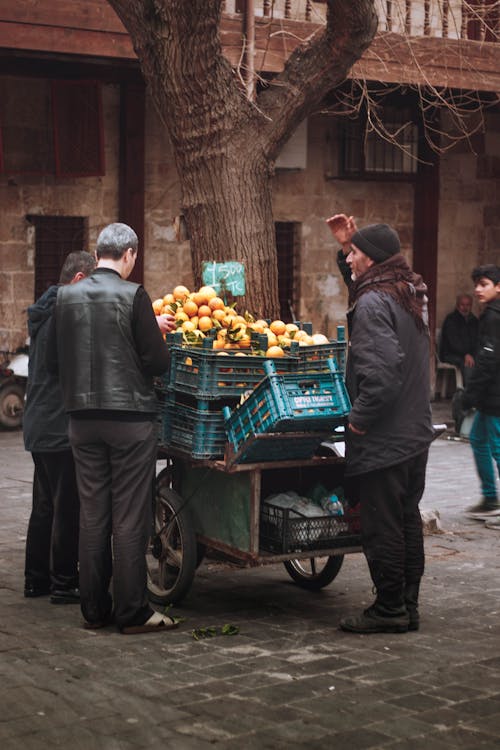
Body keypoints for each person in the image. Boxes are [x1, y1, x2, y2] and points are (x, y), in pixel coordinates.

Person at [46, 222, 177, 633]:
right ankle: (132, 611)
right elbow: (158, 361)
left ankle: (93, 610)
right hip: (130, 421)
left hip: (81, 421)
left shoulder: (63, 297)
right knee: (129, 516)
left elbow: (51, 363)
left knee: (93, 513)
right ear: (130, 254)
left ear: (97, 251)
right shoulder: (133, 294)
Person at [326, 213, 434, 634]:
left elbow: (382, 373)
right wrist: (348, 243)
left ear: (370, 260)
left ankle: (389, 609)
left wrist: (359, 421)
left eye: (353, 254)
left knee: (383, 524)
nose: (349, 260)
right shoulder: (409, 290)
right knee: (407, 519)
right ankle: (407, 604)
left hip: (386, 435)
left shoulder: (373, 302)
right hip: (415, 432)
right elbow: (364, 283)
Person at [23, 251, 97, 603]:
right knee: (66, 507)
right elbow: (66, 366)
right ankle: (64, 583)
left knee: (45, 505)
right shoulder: (62, 314)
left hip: (39, 421)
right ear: (80, 280)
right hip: (56, 424)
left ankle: (36, 580)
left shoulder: (47, 308)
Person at [460, 265, 500, 525]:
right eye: (476, 284)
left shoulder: (493, 317)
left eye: (483, 284)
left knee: (497, 447)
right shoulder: (490, 314)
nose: (477, 289)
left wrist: (469, 395)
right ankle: (489, 498)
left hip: (495, 396)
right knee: (478, 439)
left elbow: (487, 361)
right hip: (490, 396)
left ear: (498, 287)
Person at [439, 293, 478, 384]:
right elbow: (453, 342)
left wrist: (472, 354)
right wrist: (465, 354)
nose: (465, 307)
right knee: (468, 364)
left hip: (469, 355)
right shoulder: (451, 320)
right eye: (462, 305)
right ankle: (469, 394)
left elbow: (477, 340)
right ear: (457, 305)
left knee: (484, 361)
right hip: (451, 354)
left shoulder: (474, 321)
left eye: (468, 305)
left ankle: (482, 394)